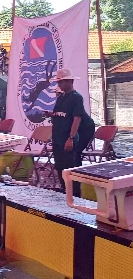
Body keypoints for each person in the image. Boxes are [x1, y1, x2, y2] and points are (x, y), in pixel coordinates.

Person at [45, 69, 93, 197]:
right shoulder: (61, 97)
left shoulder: (76, 98)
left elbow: (77, 118)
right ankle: (64, 188)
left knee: (70, 165)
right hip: (58, 136)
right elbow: (59, 114)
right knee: (59, 165)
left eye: (61, 82)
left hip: (67, 136)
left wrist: (71, 138)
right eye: (59, 82)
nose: (59, 85)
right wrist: (51, 114)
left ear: (70, 81)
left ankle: (75, 193)